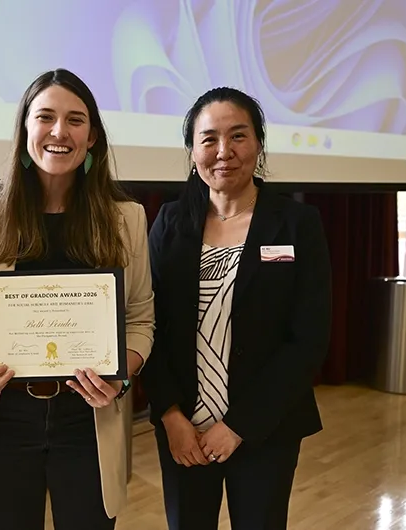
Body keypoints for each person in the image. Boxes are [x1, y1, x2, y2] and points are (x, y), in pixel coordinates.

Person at [0, 68, 155, 530]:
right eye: (46, 117)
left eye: (76, 120)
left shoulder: (126, 219)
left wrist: (122, 376)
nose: (60, 131)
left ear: (92, 136)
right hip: (2, 419)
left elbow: (139, 318)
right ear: (25, 129)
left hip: (89, 420)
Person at [142, 87, 332, 529]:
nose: (223, 151)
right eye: (208, 139)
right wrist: (169, 414)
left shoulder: (298, 224)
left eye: (238, 136)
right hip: (183, 430)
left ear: (259, 144)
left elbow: (308, 338)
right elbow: (147, 323)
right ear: (192, 151)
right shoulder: (169, 221)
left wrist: (240, 425)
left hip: (266, 429)